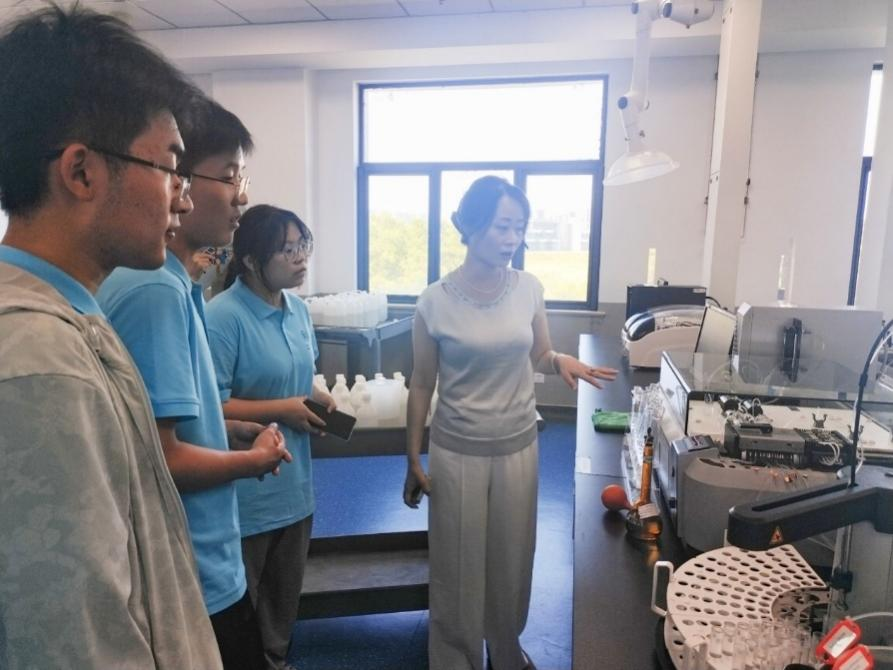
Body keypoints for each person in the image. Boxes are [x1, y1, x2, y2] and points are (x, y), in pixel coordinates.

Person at [0, 6, 224, 669]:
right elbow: (75, 641)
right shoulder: (39, 360)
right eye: (169, 168)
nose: (182, 199)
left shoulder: (73, 318)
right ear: (82, 173)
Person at [97, 99, 289, 670]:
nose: (241, 198)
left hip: (196, 560)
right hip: (192, 569)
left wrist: (223, 428)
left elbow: (158, 425)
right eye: (229, 177)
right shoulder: (154, 288)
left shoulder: (176, 283)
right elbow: (162, 457)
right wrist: (252, 462)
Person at [403, 175, 617, 670]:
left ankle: (504, 647)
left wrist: (558, 360)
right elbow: (421, 383)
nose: (511, 238)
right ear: (471, 225)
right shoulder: (433, 301)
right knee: (457, 564)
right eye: (502, 226)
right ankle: (455, 658)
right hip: (457, 450)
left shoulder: (529, 288)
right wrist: (412, 456)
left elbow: (540, 353)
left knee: (512, 559)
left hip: (519, 445)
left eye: (519, 228)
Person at [207, 204, 336, 670]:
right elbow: (212, 406)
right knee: (241, 614)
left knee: (282, 607)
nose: (301, 258)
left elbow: (300, 377)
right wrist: (283, 409)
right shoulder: (222, 317)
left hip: (295, 486)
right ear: (250, 260)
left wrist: (317, 398)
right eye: (287, 250)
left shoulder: (297, 310)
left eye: (304, 245)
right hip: (247, 491)